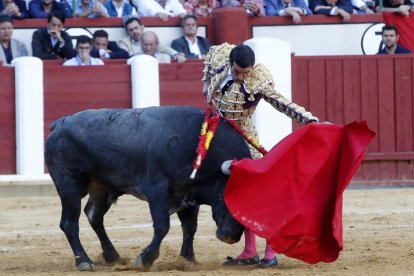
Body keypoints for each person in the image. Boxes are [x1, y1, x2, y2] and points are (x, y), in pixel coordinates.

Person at [202, 43, 319, 267]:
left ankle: (269, 252)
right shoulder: (220, 58)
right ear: (230, 63)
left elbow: (281, 102)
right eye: (237, 72)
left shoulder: (257, 79)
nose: (240, 77)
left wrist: (309, 120)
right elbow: (209, 62)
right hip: (214, 131)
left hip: (243, 136)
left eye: (245, 73)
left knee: (257, 191)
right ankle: (249, 249)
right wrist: (206, 85)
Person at [118, 16, 186, 62]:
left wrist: (175, 54)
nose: (134, 31)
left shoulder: (149, 37)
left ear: (142, 27)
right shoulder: (124, 42)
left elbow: (163, 48)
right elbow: (127, 56)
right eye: (131, 30)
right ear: (127, 32)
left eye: (136, 28)